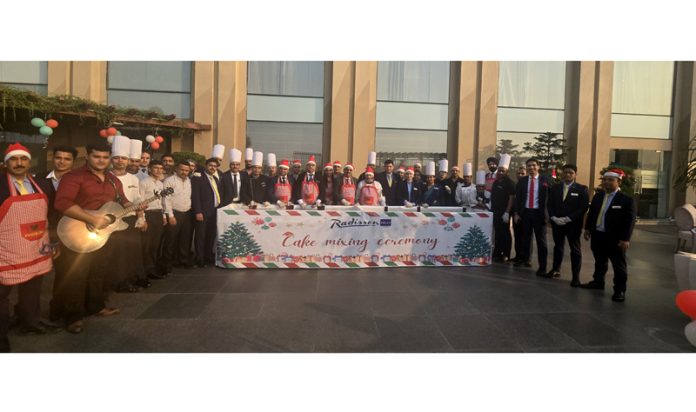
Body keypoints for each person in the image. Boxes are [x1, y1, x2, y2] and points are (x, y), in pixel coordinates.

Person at [52, 142, 132, 333]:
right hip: (77, 231)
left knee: (99, 270)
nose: (101, 161)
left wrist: (134, 206)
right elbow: (62, 203)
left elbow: (122, 199)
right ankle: (71, 316)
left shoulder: (113, 180)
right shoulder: (74, 176)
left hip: (102, 234)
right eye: (97, 156)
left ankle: (96, 306)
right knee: (75, 274)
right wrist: (91, 219)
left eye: (105, 157)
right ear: (87, 156)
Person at [1, 143, 58, 352]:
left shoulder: (43, 184)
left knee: (33, 289)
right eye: (14, 159)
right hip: (6, 249)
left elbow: (49, 216)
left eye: (23, 159)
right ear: (6, 163)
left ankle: (30, 323)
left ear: (29, 161)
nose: (18, 163)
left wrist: (52, 242)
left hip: (37, 246)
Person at [581, 169, 636, 302]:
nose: (607, 182)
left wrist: (625, 239)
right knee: (600, 261)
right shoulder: (598, 196)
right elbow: (592, 213)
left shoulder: (626, 200)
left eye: (611, 180)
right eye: (605, 179)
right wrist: (587, 229)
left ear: (618, 182)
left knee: (618, 265)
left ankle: (619, 290)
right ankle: (598, 282)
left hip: (616, 238)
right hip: (598, 235)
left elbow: (630, 221)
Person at [108, 136, 148, 293]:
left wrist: (141, 217)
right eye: (116, 158)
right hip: (111, 222)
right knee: (117, 255)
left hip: (131, 220)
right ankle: (117, 283)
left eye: (123, 158)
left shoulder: (133, 178)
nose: (120, 161)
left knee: (132, 253)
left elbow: (138, 199)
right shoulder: (107, 177)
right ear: (112, 159)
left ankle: (130, 280)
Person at [546, 164, 589, 285]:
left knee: (575, 250)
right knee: (558, 247)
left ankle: (575, 277)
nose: (567, 174)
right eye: (565, 172)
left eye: (570, 172)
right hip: (557, 223)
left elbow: (583, 207)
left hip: (573, 225)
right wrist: (553, 217)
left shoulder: (582, 189)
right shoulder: (555, 188)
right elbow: (550, 204)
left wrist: (568, 218)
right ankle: (555, 269)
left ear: (575, 174)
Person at [513, 158, 550, 276]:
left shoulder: (546, 180)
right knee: (526, 239)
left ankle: (542, 267)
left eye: (534, 165)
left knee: (541, 242)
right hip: (526, 213)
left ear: (538, 166)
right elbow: (517, 198)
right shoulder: (522, 181)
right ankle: (525, 260)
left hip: (539, 214)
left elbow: (551, 199)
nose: (531, 168)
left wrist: (549, 214)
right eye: (528, 166)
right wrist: (516, 213)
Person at [161, 160, 194, 275]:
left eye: (186, 170)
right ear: (177, 169)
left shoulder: (189, 181)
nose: (184, 172)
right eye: (182, 170)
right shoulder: (169, 181)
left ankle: (183, 261)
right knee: (170, 240)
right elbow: (165, 199)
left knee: (185, 239)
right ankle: (167, 265)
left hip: (187, 213)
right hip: (174, 213)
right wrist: (170, 215)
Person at [191, 158, 222, 267]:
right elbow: (195, 196)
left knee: (210, 236)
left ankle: (208, 256)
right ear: (206, 165)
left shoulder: (215, 179)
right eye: (210, 165)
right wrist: (198, 211)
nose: (213, 167)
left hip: (214, 212)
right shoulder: (198, 177)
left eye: (215, 166)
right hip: (202, 212)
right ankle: (199, 259)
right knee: (200, 236)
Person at [139, 159, 166, 279]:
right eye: (156, 168)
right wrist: (142, 219)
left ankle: (153, 268)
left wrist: (164, 216)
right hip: (148, 214)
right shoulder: (144, 182)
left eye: (161, 168)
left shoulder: (161, 184)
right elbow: (140, 201)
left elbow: (163, 201)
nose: (158, 170)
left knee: (156, 243)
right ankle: (145, 270)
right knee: (147, 244)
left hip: (158, 215)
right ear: (150, 168)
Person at [490, 154, 516, 263]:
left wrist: (507, 212)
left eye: (503, 171)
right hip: (495, 211)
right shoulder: (496, 182)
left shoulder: (510, 183)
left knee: (505, 233)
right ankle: (497, 253)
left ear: (506, 172)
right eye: (499, 170)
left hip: (504, 212)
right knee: (498, 233)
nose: (500, 173)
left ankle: (506, 254)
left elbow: (511, 198)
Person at [510, 166, 527, 263]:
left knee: (526, 237)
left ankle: (526, 258)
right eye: (518, 173)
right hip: (516, 214)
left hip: (526, 214)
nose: (520, 175)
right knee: (517, 236)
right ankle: (518, 256)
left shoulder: (528, 185)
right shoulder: (515, 185)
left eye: (522, 173)